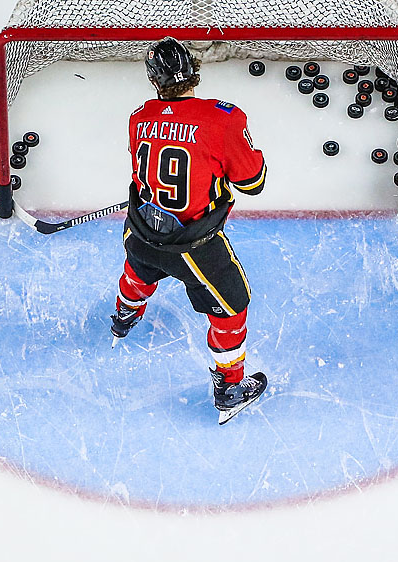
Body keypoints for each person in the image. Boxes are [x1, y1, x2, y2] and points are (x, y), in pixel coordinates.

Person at [111, 37, 268, 418]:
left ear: (154, 81)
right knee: (232, 307)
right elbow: (253, 182)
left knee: (138, 268)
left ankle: (124, 315)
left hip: (142, 230)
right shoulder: (224, 118)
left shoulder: (139, 116)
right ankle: (231, 387)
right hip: (193, 246)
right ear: (194, 71)